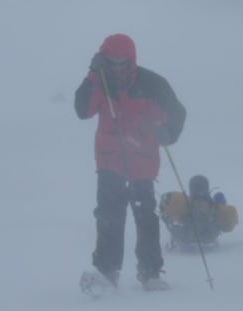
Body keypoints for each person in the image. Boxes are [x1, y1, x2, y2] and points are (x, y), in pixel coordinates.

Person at [74, 33, 186, 292]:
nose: (116, 67)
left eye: (122, 62)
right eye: (111, 62)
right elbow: (83, 110)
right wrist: (93, 74)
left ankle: (151, 273)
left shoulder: (152, 83)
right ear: (103, 59)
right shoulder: (98, 81)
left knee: (146, 218)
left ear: (131, 60)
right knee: (108, 217)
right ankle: (106, 272)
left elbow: (177, 112)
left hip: (142, 165)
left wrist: (169, 132)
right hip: (109, 163)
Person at [159, 175, 239, 251]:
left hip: (187, 239)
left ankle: (173, 243)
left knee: (171, 219)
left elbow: (172, 217)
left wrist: (166, 217)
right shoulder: (214, 205)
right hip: (209, 238)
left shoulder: (185, 203)